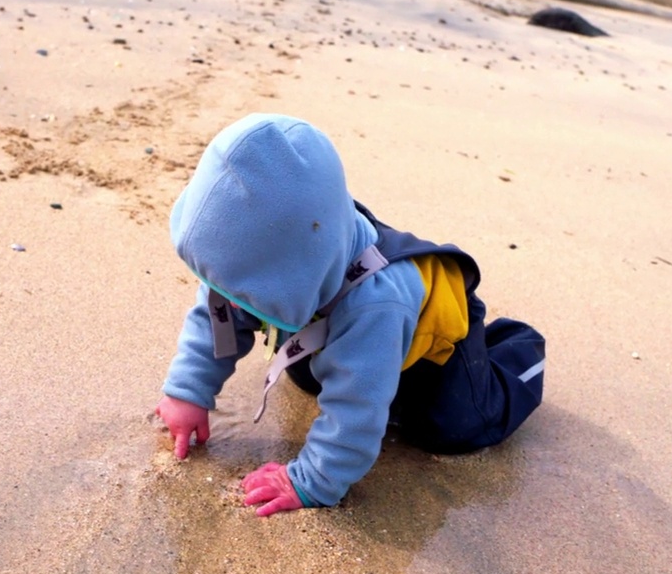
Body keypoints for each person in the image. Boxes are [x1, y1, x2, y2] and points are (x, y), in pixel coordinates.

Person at [154, 114, 545, 516]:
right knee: (309, 375)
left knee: (456, 427)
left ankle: (514, 349)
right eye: (221, 283)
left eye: (240, 292)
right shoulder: (247, 266)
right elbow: (215, 316)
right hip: (332, 317)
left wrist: (311, 481)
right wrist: (188, 390)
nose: (227, 301)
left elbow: (356, 413)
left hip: (435, 351)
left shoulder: (375, 306)